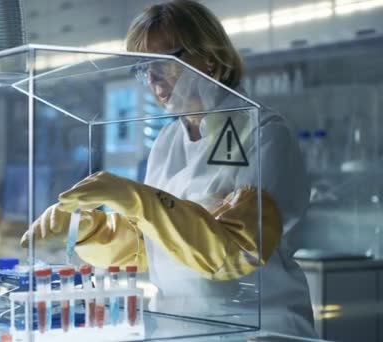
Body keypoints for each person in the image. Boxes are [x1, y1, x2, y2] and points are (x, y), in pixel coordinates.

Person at [23, 0, 317, 338]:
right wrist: (84, 229)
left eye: (165, 62)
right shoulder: (167, 140)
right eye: (143, 67)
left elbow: (235, 251)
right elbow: (147, 244)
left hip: (257, 329)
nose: (152, 78)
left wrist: (138, 199)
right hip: (179, 327)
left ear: (210, 57)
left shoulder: (263, 133)